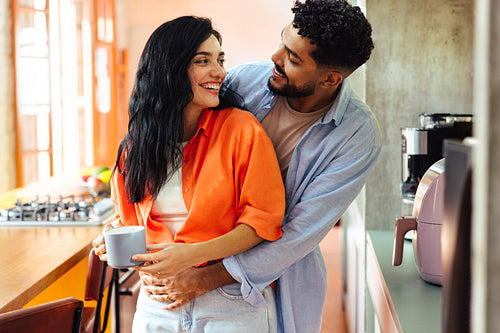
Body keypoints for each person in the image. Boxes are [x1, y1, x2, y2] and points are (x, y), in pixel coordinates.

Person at [140, 1, 382, 332]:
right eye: (283, 42)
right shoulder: (244, 82)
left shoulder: (357, 135)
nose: (275, 58)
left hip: (277, 271)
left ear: (330, 80)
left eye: (293, 59)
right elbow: (183, 143)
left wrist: (204, 277)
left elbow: (299, 232)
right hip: (198, 265)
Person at [92, 16, 285, 332]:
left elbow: (262, 223)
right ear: (170, 68)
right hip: (157, 300)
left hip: (229, 299)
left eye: (220, 60)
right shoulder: (135, 146)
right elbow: (127, 219)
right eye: (203, 61)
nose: (219, 72)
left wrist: (190, 256)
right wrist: (110, 236)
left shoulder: (242, 130)